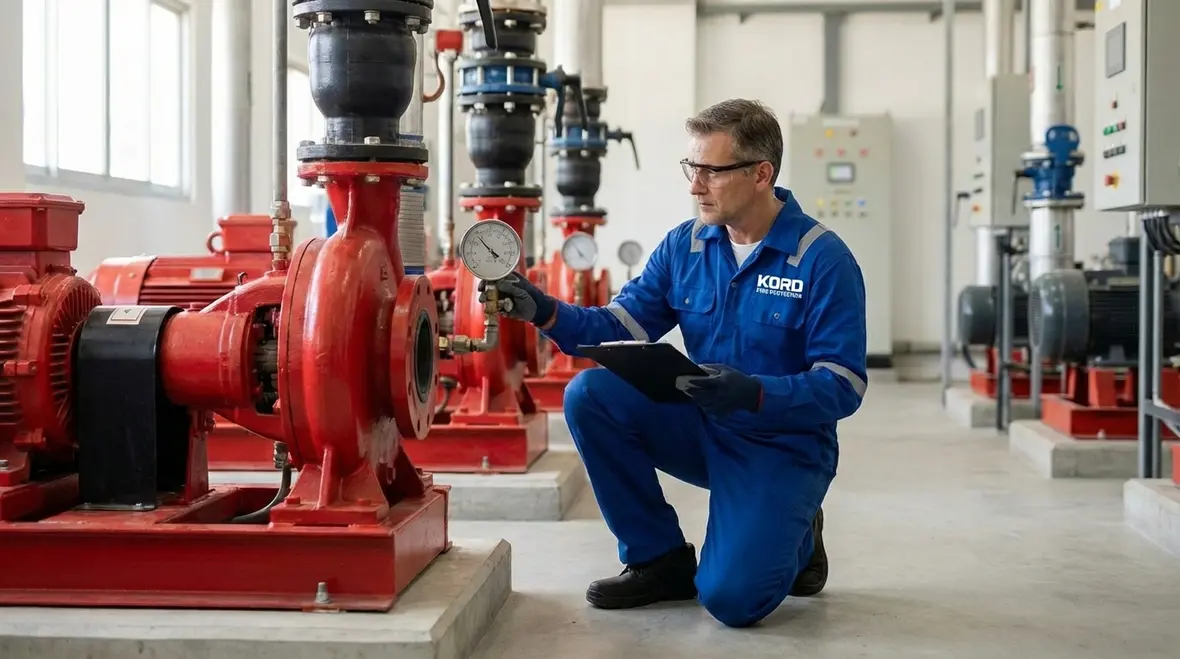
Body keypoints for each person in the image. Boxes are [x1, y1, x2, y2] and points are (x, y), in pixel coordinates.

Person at [481, 98, 868, 628]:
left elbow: (843, 384)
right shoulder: (685, 247)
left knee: (730, 600)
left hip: (781, 445)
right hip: (704, 426)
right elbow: (619, 325)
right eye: (692, 167)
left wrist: (756, 393)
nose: (695, 186)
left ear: (762, 174)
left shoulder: (823, 260)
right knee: (590, 396)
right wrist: (546, 311)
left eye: (712, 171)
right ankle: (658, 559)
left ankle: (799, 532)